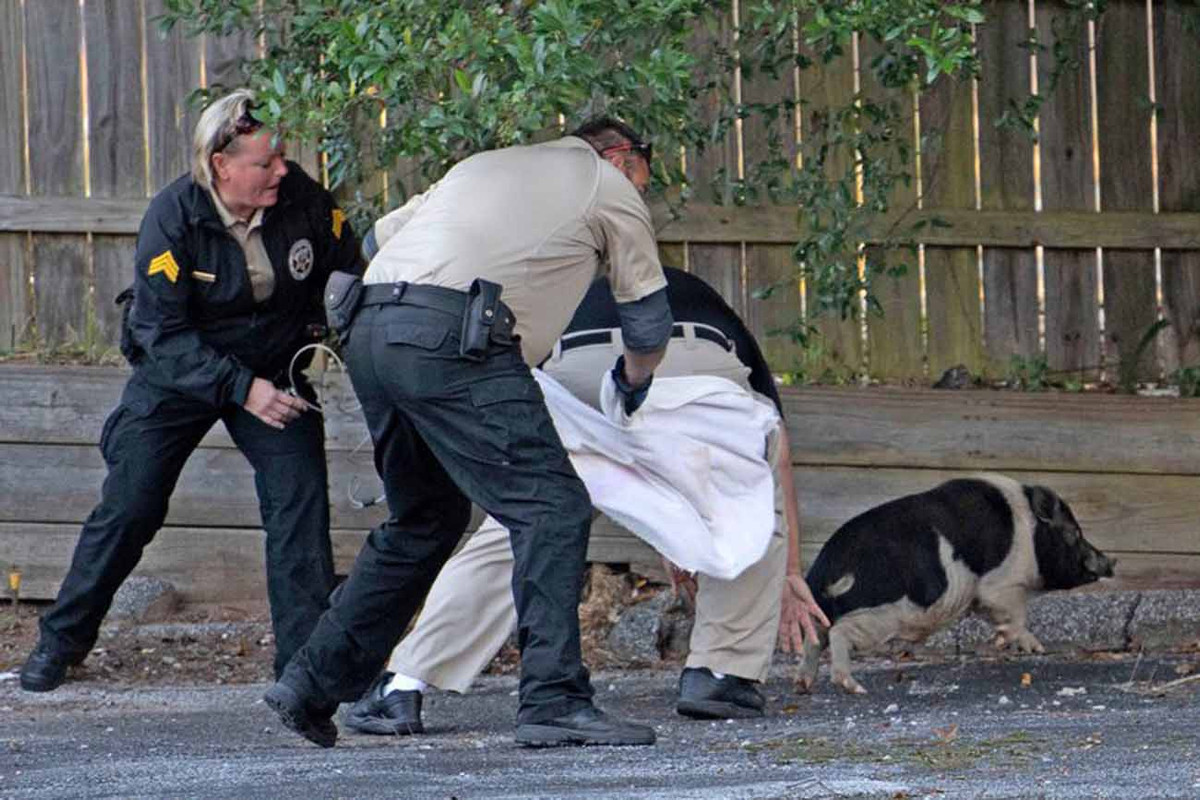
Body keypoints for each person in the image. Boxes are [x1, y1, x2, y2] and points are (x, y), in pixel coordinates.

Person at [263, 118, 675, 748]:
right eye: (645, 177)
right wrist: (634, 383)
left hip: (372, 329)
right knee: (553, 505)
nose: (644, 194)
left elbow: (375, 239)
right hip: (454, 336)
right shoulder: (605, 183)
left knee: (425, 517)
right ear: (622, 156)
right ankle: (554, 700)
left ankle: (309, 683)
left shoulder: (484, 165)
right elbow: (647, 321)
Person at [342, 267, 830, 736]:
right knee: (749, 479)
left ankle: (404, 682)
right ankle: (722, 673)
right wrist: (788, 572)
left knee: (524, 520)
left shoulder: (571, 295)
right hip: (695, 363)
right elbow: (771, 448)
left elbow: (635, 455)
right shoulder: (711, 309)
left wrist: (673, 532)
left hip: (573, 368)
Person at [19, 90, 362, 692]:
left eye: (280, 157)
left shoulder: (302, 200)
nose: (280, 169)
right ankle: (62, 641)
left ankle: (304, 672)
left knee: (298, 500)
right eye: (265, 163)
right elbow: (160, 331)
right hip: (180, 372)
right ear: (220, 165)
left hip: (272, 366)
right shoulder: (173, 215)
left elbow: (347, 272)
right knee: (131, 504)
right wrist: (238, 387)